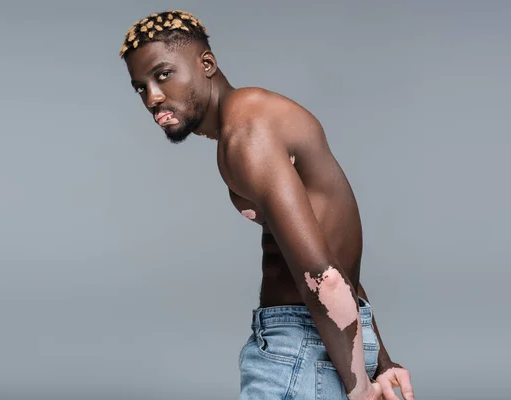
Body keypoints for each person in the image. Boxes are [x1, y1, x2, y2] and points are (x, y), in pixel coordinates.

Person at [119, 10, 415, 400]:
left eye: (163, 75)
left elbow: (320, 273)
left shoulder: (246, 130)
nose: (153, 98)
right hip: (330, 344)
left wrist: (359, 388)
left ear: (206, 64)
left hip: (301, 351)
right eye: (140, 87)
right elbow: (329, 259)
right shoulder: (253, 118)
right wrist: (381, 361)